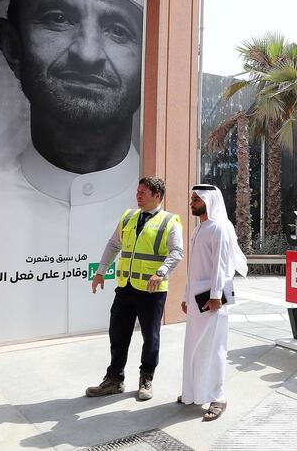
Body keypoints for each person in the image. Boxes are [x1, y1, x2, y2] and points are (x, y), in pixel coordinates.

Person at [0, 0, 146, 349]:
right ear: (11, 46)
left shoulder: (156, 215)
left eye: (118, 30)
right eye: (58, 19)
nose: (88, 54)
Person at [86, 177, 184, 401]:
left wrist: (161, 272)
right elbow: (113, 245)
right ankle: (114, 379)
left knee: (151, 337)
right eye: (137, 192)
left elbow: (177, 251)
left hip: (152, 290)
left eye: (143, 192)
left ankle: (146, 378)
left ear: (157, 196)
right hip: (126, 287)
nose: (138, 196)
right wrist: (101, 271)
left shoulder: (169, 221)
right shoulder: (128, 217)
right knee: (117, 334)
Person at [180, 184, 248, 420]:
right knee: (194, 347)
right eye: (192, 198)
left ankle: (218, 398)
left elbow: (222, 265)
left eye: (196, 199)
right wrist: (185, 295)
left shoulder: (218, 227)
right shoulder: (200, 229)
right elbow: (193, 268)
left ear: (209, 201)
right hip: (197, 299)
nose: (192, 203)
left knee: (214, 349)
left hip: (211, 300)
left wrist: (216, 296)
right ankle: (192, 393)